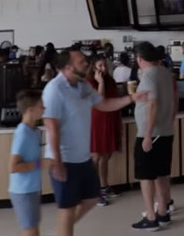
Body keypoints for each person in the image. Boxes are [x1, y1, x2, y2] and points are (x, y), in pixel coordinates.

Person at [43, 47, 144, 236]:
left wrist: (131, 98)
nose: (87, 63)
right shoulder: (54, 89)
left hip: (82, 158)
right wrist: (56, 161)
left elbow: (104, 104)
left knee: (90, 198)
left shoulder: (83, 86)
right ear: (67, 67)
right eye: (81, 61)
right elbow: (51, 126)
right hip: (64, 159)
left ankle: (60, 231)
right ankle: (63, 230)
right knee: (67, 209)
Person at [131, 42, 177, 231]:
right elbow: (174, 99)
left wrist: (148, 134)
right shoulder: (165, 72)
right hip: (166, 131)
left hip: (150, 133)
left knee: (146, 176)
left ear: (139, 58)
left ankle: (151, 216)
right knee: (162, 174)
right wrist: (170, 120)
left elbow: (153, 104)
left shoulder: (149, 75)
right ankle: (163, 212)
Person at [9, 90, 45, 236]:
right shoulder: (22, 133)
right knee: (30, 230)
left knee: (33, 228)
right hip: (22, 191)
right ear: (31, 109)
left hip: (32, 188)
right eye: (41, 106)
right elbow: (13, 167)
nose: (44, 109)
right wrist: (40, 164)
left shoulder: (35, 131)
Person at [87, 57, 123, 206]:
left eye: (105, 65)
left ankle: (104, 185)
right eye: (100, 65)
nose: (103, 68)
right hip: (96, 121)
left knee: (106, 154)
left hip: (110, 118)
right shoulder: (89, 82)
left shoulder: (110, 80)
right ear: (93, 67)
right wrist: (100, 82)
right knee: (95, 156)